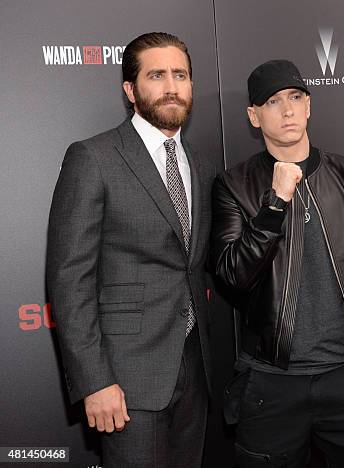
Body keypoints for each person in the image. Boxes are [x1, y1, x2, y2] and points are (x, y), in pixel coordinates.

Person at [210, 59, 344, 467]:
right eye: (273, 102)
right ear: (254, 116)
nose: (288, 110)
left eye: (295, 98)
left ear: (309, 106)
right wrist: (274, 205)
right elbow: (231, 278)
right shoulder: (234, 185)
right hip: (271, 381)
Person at [46, 32, 214, 468]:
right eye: (156, 75)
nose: (171, 86)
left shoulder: (196, 162)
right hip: (126, 379)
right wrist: (95, 381)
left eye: (181, 75)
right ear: (130, 90)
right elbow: (69, 279)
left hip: (195, 372)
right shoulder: (93, 157)